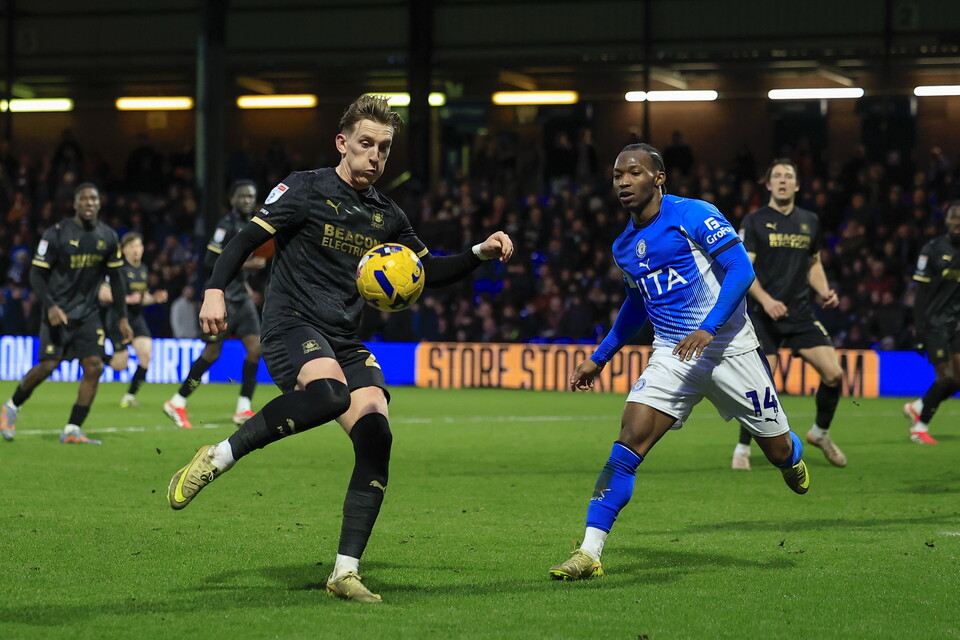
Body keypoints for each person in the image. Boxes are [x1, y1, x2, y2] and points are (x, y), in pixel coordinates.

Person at [165, 95, 514, 603]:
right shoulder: (304, 188)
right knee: (331, 394)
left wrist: (480, 251)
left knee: (377, 435)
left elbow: (429, 271)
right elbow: (244, 240)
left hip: (344, 338)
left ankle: (344, 572)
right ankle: (219, 456)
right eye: (366, 144)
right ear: (342, 143)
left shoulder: (387, 215)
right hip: (290, 326)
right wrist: (214, 289)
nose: (375, 156)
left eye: (384, 148)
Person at [548, 143, 807, 582]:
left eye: (634, 173)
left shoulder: (692, 214)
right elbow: (637, 304)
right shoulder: (624, 246)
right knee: (628, 441)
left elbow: (741, 270)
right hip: (673, 352)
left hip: (730, 348)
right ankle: (589, 552)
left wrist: (708, 327)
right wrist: (600, 357)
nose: (623, 182)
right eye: (617, 175)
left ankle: (791, 456)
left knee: (777, 450)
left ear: (659, 178)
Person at [731, 159, 847, 471]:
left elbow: (814, 264)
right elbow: (744, 269)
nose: (783, 181)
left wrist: (824, 291)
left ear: (797, 185)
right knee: (760, 384)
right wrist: (767, 300)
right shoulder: (754, 221)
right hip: (763, 315)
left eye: (788, 176)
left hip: (800, 314)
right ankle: (743, 447)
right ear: (768, 184)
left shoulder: (809, 221)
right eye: (777, 176)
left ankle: (820, 433)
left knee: (834, 374)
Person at [0, 183, 132, 444]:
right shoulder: (57, 233)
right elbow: (36, 274)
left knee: (94, 366)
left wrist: (123, 317)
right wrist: (50, 306)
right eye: (84, 199)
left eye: (93, 199)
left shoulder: (108, 236)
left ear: (99, 204)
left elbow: (117, 280)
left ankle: (72, 428)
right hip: (57, 311)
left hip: (87, 313)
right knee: (48, 366)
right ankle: (12, 406)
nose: (89, 203)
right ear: (75, 203)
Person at [162, 180, 266, 429]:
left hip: (241, 297)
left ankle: (243, 408)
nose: (247, 200)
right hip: (223, 298)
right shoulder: (225, 225)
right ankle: (177, 401)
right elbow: (211, 260)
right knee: (211, 354)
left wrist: (246, 284)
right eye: (242, 196)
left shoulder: (252, 225)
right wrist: (248, 265)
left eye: (251, 196)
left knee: (256, 348)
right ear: (232, 199)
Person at [902, 201, 960, 444]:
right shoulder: (933, 249)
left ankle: (918, 406)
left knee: (957, 379)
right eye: (953, 217)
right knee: (945, 378)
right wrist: (919, 330)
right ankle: (919, 427)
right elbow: (920, 295)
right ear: (946, 221)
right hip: (935, 322)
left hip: (957, 323)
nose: (957, 222)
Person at [99, 232, 168, 408]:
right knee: (120, 365)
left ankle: (129, 396)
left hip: (136, 318)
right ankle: (94, 354)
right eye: (131, 247)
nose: (136, 250)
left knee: (146, 356)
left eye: (138, 246)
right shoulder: (117, 269)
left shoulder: (143, 269)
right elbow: (103, 294)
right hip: (118, 318)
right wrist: (128, 299)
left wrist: (154, 298)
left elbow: (141, 298)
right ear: (124, 250)